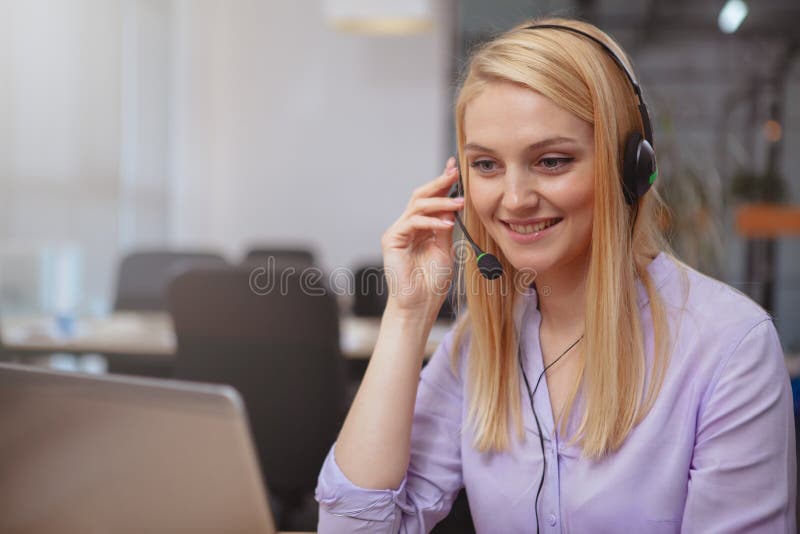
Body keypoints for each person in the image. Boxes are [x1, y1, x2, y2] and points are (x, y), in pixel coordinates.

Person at [315, 16, 797, 533]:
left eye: (551, 161)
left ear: (629, 167)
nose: (515, 199)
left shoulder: (728, 349)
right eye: (486, 165)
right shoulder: (479, 346)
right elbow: (351, 527)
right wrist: (407, 315)